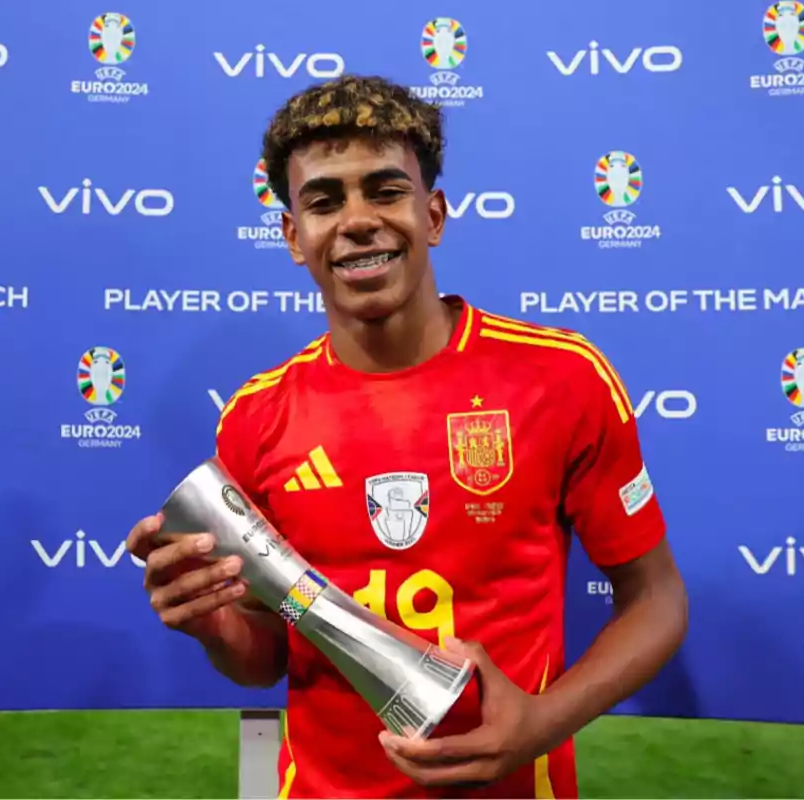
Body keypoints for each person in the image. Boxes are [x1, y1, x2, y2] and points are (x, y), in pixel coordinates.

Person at [126, 74, 689, 799]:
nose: (357, 220)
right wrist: (208, 622)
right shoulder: (256, 417)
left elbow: (656, 601)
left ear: (434, 215)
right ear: (294, 237)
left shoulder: (561, 379)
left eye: (385, 191)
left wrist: (541, 724)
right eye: (325, 201)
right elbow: (266, 655)